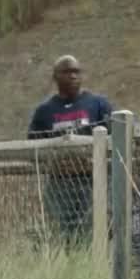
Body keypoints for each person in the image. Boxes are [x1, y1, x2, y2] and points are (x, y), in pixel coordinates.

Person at [27, 55, 115, 245]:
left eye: (76, 72)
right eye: (67, 72)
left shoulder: (98, 104)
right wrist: (52, 161)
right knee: (61, 234)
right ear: (55, 77)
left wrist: (99, 161)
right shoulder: (44, 111)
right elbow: (33, 146)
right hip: (60, 184)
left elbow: (116, 139)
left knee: (92, 232)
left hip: (92, 181)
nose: (73, 76)